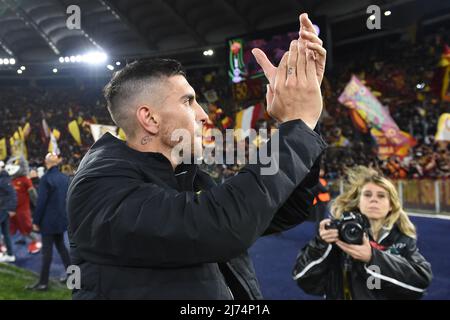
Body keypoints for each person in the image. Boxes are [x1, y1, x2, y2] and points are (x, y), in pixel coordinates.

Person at [68, 13, 328, 299]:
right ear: (150, 118)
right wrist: (296, 128)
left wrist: (306, 124)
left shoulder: (185, 176)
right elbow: (220, 226)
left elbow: (284, 210)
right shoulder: (98, 186)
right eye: (188, 101)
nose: (204, 115)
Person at [293, 166, 432, 300]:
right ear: (358, 202)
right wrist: (321, 244)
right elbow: (304, 279)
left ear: (391, 205)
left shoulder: (402, 239)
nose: (374, 199)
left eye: (381, 196)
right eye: (367, 194)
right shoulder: (340, 236)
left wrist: (372, 257)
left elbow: (419, 284)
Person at [26, 153, 71, 291]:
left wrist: (36, 221)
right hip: (61, 220)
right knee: (62, 249)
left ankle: (43, 283)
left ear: (47, 163)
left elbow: (41, 202)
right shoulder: (65, 178)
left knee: (47, 253)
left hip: (48, 221)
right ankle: (74, 278)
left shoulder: (46, 179)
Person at [0, 160, 17, 263]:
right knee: (6, 233)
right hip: (4, 209)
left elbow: (13, 195)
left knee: (5, 233)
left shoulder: (4, 180)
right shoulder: (4, 179)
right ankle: (9, 253)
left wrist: (11, 209)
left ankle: (7, 253)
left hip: (3, 209)